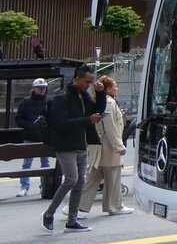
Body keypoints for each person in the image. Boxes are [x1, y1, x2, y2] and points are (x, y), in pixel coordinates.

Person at [41, 67, 105, 232]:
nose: (88, 85)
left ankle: (72, 220)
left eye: (91, 82)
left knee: (80, 182)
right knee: (71, 179)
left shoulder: (82, 96)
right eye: (86, 82)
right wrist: (87, 120)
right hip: (65, 145)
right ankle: (49, 213)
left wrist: (101, 93)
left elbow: (97, 110)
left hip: (80, 144)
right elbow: (60, 122)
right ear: (77, 78)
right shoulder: (63, 97)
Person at [78, 75, 133, 216]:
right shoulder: (109, 102)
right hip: (108, 146)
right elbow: (110, 126)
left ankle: (76, 206)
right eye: (115, 86)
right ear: (108, 89)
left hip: (99, 145)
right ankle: (114, 206)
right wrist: (119, 145)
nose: (117, 88)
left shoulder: (104, 101)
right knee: (113, 177)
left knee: (92, 178)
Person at [14, 77, 51, 196]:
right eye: (39, 88)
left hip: (45, 137)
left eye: (44, 88)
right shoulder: (25, 102)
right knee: (27, 163)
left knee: (45, 163)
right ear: (34, 88)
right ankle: (24, 186)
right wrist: (30, 126)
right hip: (30, 136)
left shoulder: (50, 101)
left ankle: (43, 185)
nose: (42, 90)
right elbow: (18, 119)